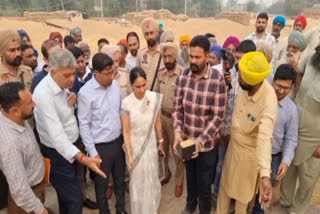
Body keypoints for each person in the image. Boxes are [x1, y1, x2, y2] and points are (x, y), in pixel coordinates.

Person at [33, 49, 106, 214]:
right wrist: (83, 158)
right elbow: (57, 137)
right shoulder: (43, 95)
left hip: (72, 147)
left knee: (66, 197)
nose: (72, 79)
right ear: (53, 72)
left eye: (73, 74)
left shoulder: (62, 85)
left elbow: (67, 114)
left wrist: (73, 98)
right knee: (74, 200)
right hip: (57, 154)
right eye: (67, 75)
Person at [216, 51, 278, 214]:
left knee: (242, 200)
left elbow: (265, 138)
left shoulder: (269, 100)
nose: (239, 77)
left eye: (243, 76)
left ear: (255, 81)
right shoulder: (245, 83)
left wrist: (265, 174)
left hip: (248, 159)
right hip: (232, 150)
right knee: (224, 190)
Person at [173, 35, 227, 214]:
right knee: (191, 178)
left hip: (206, 146)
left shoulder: (217, 80)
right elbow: (178, 109)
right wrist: (177, 132)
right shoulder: (183, 76)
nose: (193, 61)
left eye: (198, 57)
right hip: (187, 142)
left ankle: (204, 210)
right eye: (191, 57)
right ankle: (190, 206)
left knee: (204, 185)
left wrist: (201, 140)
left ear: (207, 56)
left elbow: (218, 116)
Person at [78, 52, 127, 214]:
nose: (111, 77)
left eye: (112, 72)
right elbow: (84, 125)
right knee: (102, 186)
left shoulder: (114, 86)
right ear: (96, 73)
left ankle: (121, 209)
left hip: (118, 144)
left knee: (120, 182)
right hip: (100, 149)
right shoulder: (85, 93)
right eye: (107, 74)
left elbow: (121, 111)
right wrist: (93, 152)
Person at [212, 39, 256, 208]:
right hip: (225, 132)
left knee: (240, 171)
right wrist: (226, 84)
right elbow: (222, 104)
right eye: (236, 58)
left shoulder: (257, 82)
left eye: (242, 59)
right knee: (221, 165)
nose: (238, 63)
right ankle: (218, 195)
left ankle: (236, 201)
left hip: (245, 138)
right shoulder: (227, 74)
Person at [252, 64, 298, 214]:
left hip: (273, 157)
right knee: (247, 186)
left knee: (264, 190)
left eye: (287, 88)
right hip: (251, 152)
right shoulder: (260, 98)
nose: (281, 91)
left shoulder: (291, 110)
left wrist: (286, 161)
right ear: (273, 80)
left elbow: (291, 139)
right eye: (279, 85)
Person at [280, 44, 320, 214]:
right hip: (294, 128)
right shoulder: (312, 58)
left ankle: (298, 210)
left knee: (307, 178)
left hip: (314, 139)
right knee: (288, 169)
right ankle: (284, 201)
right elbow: (299, 73)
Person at [121, 67, 165, 214]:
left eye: (144, 85)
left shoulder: (153, 98)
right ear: (131, 85)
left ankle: (151, 209)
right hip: (135, 146)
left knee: (151, 177)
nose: (141, 89)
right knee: (138, 182)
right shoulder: (126, 103)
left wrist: (161, 142)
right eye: (137, 86)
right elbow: (126, 131)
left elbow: (158, 121)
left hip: (150, 144)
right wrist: (129, 154)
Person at [0, 82, 47, 214]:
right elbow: (20, 189)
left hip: (35, 188)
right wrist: (40, 210)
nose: (34, 104)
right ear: (15, 110)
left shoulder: (16, 117)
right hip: (27, 202)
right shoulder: (10, 144)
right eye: (29, 103)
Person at [158, 42, 185, 196]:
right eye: (164, 56)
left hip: (176, 121)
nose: (167, 59)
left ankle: (179, 181)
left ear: (175, 57)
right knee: (163, 150)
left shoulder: (183, 74)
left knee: (177, 153)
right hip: (162, 117)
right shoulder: (161, 74)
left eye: (170, 56)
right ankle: (166, 174)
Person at [274, 31, 308, 99]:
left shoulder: (303, 66)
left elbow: (299, 89)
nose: (290, 50)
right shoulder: (279, 62)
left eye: (294, 48)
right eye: (289, 46)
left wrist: (295, 67)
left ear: (299, 51)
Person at [136, 17, 164, 92]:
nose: (149, 37)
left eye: (151, 33)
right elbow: (137, 77)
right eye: (146, 34)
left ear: (157, 33)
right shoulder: (140, 54)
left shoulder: (164, 53)